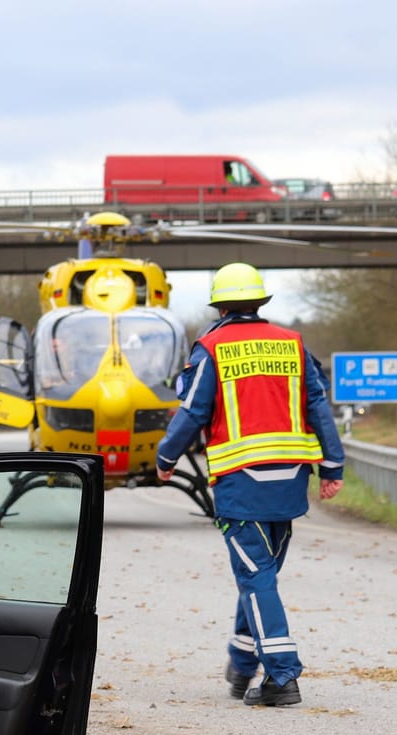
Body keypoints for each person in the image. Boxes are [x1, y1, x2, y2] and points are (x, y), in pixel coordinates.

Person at [156, 263, 344, 707]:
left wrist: (165, 458)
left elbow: (193, 411)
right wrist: (333, 468)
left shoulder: (212, 347)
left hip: (242, 484)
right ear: (260, 301)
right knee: (261, 574)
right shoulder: (292, 344)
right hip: (290, 482)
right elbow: (318, 407)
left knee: (256, 576)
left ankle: (282, 677)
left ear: (219, 304)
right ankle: (242, 665)